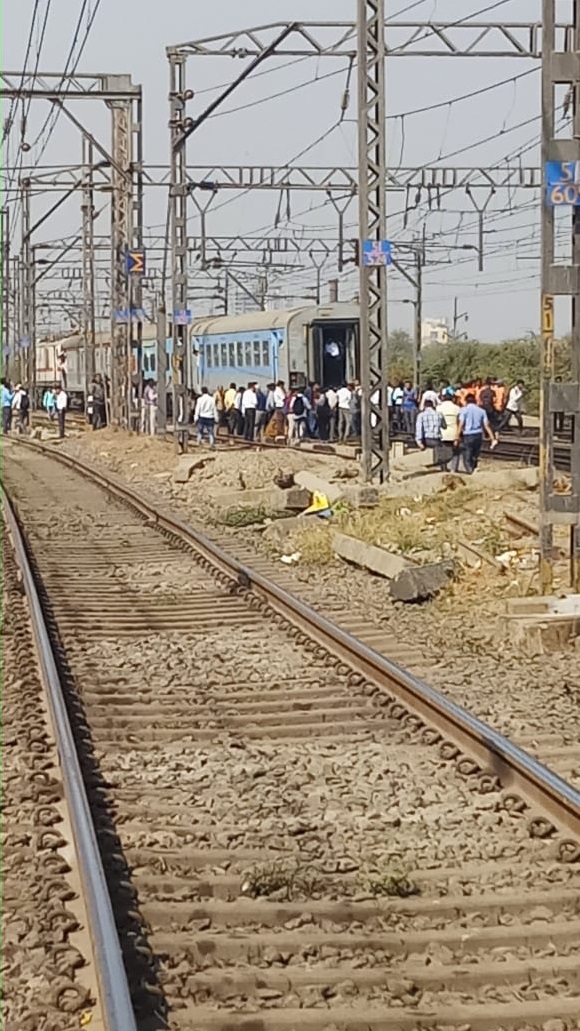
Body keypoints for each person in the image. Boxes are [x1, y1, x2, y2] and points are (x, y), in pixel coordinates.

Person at [454, 391, 496, 474]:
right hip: (478, 434)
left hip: (468, 435)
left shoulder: (464, 410)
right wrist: (493, 438)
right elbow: (486, 425)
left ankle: (470, 471)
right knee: (475, 454)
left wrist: (457, 437)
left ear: (466, 401)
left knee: (467, 455)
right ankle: (474, 468)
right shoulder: (481, 411)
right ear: (475, 401)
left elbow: (461, 424)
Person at [415, 398, 444, 469]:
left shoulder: (421, 415)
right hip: (437, 439)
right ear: (433, 406)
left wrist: (419, 442)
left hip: (426, 439)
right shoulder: (439, 414)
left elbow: (419, 429)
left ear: (424, 406)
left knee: (427, 458)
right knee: (438, 456)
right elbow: (444, 426)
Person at [436, 391, 461, 471]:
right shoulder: (457, 408)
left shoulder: (438, 408)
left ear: (443, 398)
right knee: (456, 452)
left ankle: (443, 468)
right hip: (454, 432)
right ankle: (453, 469)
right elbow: (459, 421)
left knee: (442, 452)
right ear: (452, 399)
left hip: (442, 432)